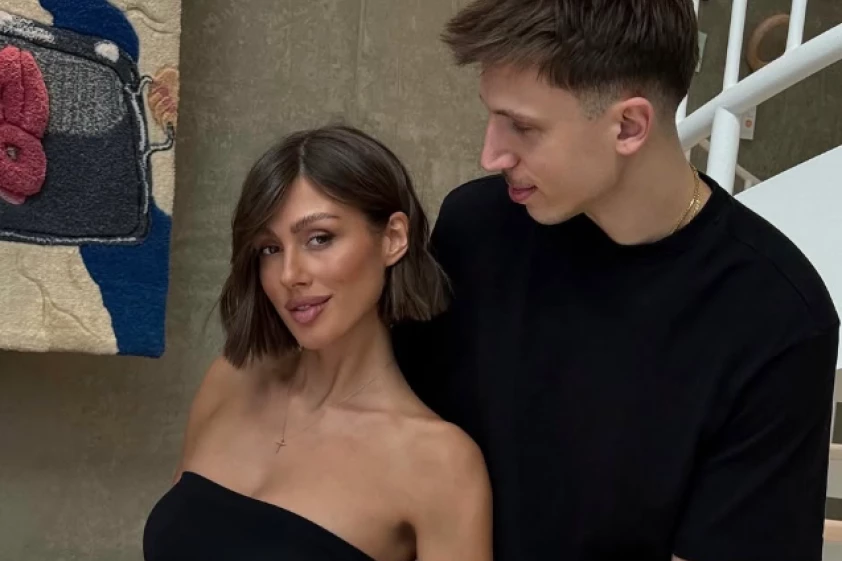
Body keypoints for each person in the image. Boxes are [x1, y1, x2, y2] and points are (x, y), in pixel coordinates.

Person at [392, 1, 841, 561]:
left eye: (522, 127)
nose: (491, 155)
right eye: (492, 116)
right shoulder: (476, 229)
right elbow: (391, 437)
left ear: (629, 126)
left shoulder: (776, 317)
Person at [143, 124, 492, 561]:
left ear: (393, 238)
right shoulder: (231, 380)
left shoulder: (439, 464)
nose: (290, 274)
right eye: (270, 248)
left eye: (319, 239)